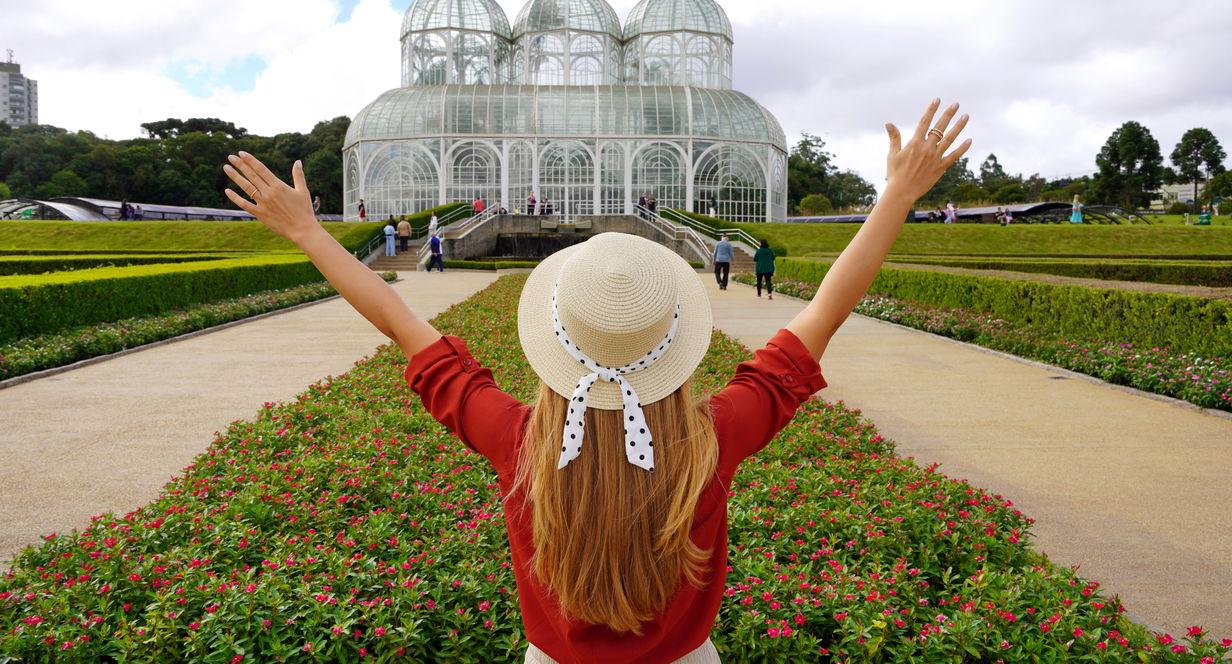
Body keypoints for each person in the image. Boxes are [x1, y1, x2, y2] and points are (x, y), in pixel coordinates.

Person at [219, 98, 970, 664]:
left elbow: (402, 324)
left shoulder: (517, 439)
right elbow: (823, 315)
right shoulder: (714, 438)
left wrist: (310, 233)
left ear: (555, 342)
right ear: (675, 340)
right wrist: (897, 197)